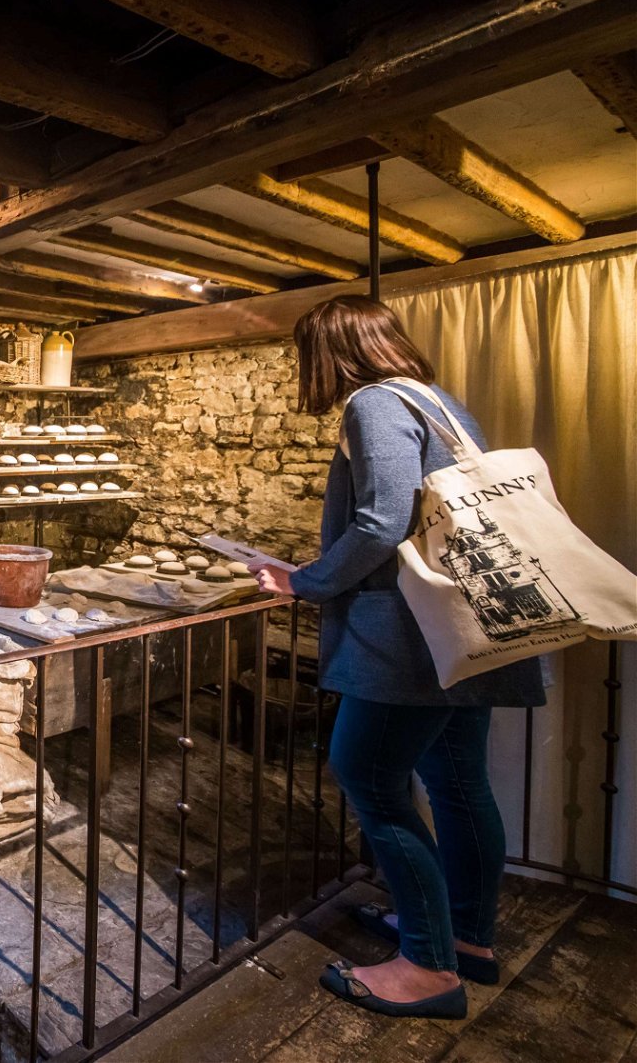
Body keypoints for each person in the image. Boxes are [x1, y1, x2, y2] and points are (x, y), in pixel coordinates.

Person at [253, 296, 544, 1019]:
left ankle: (425, 967)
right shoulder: (440, 403)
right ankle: (463, 938)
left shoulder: (373, 404)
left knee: (370, 778)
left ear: (328, 351)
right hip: (461, 632)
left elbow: (382, 520)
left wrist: (305, 581)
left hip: (409, 642)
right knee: (456, 782)